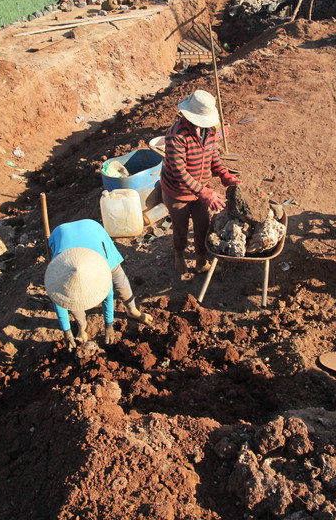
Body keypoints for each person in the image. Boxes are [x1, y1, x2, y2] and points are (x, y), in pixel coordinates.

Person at [160, 89, 241, 276]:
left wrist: (223, 174)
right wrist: (204, 192)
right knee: (180, 229)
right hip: (177, 192)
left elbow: (213, 155)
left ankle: (201, 260)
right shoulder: (176, 135)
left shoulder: (210, 131)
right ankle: (179, 255)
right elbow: (179, 172)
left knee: (202, 226)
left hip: (201, 189)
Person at [44, 219, 151, 350]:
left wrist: (109, 326)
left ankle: (132, 310)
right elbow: (61, 303)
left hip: (94, 232)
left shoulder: (102, 269)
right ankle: (82, 326)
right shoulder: (59, 275)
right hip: (61, 234)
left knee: (118, 277)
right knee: (71, 299)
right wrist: (66, 331)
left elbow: (108, 297)